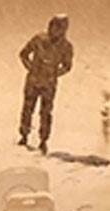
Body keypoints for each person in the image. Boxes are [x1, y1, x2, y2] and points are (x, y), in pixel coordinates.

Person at [18, 14, 73, 154]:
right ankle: (24, 135)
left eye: (59, 27)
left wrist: (54, 74)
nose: (55, 29)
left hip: (49, 85)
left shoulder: (66, 47)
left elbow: (67, 66)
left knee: (46, 112)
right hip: (33, 81)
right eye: (54, 25)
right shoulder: (39, 39)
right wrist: (31, 68)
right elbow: (23, 54)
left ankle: (43, 140)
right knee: (27, 109)